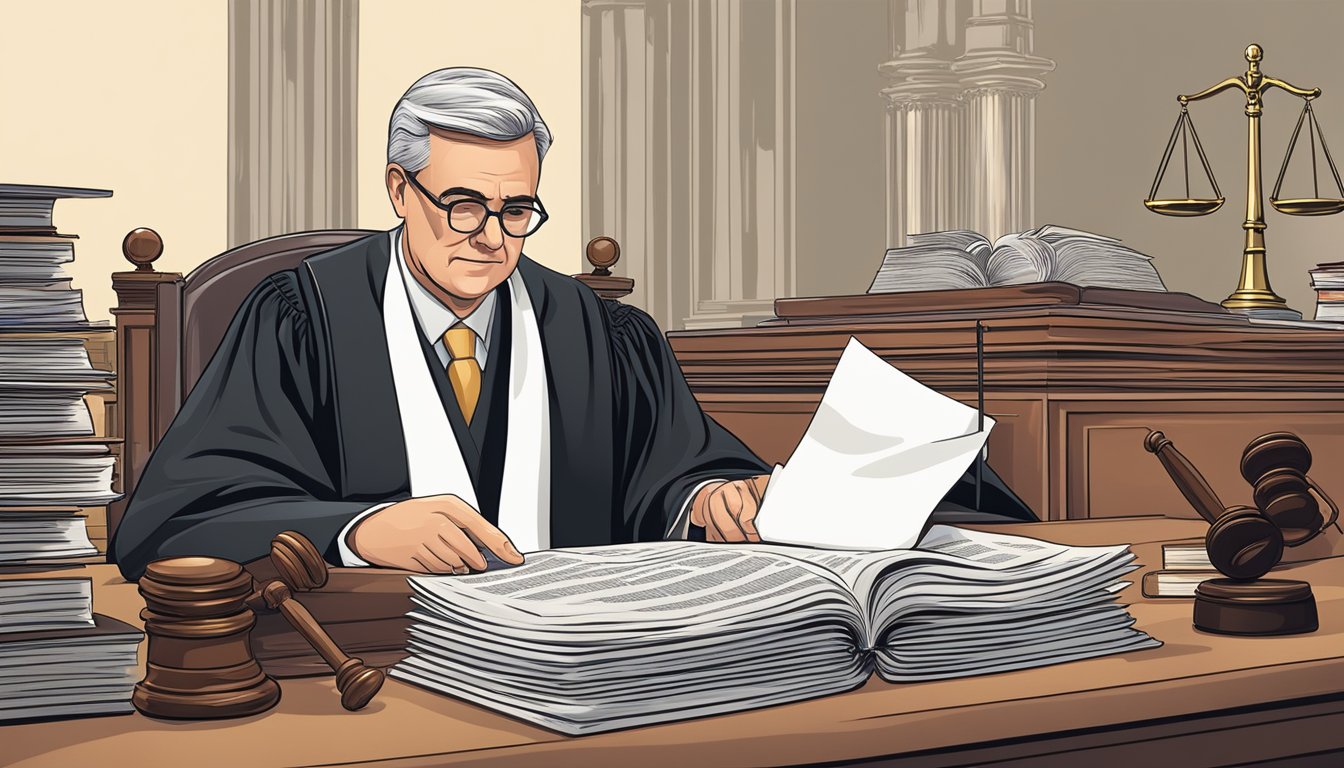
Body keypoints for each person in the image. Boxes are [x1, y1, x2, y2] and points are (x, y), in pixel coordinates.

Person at [112, 67, 1031, 580]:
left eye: (518, 210)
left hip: (586, 677)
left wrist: (705, 501)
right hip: (380, 675)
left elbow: (669, 473)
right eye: (463, 204)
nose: (492, 238)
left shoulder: (595, 331)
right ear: (399, 189)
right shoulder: (301, 318)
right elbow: (173, 520)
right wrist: (356, 532)